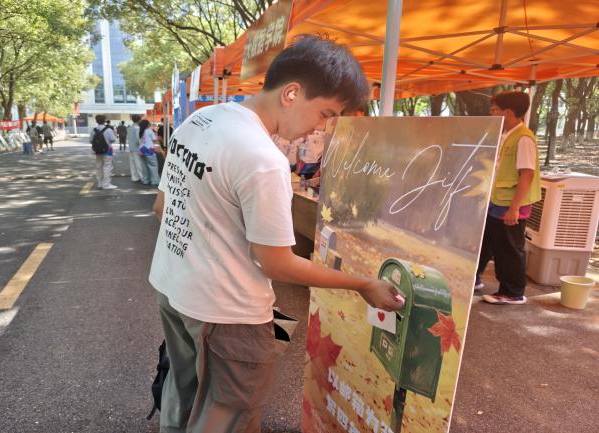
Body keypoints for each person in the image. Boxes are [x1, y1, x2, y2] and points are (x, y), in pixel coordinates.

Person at [149, 35, 404, 433]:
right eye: (325, 113)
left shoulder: (201, 120)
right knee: (228, 416)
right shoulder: (263, 159)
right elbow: (277, 264)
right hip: (226, 313)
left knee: (183, 394)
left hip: (173, 288)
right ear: (291, 93)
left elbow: (162, 207)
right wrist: (363, 283)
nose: (319, 127)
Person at [476, 91, 542, 305]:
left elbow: (527, 174)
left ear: (508, 112)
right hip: (497, 200)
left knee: (509, 248)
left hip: (511, 204)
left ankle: (512, 292)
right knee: (487, 241)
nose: (491, 113)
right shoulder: (506, 134)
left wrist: (514, 208)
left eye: (494, 109)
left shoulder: (523, 138)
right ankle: (474, 278)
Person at [89, 114, 118, 190]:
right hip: (107, 150)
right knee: (107, 167)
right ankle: (106, 184)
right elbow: (113, 139)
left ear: (96, 121)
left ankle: (100, 183)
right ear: (104, 121)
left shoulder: (93, 130)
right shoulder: (108, 130)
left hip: (97, 151)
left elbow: (91, 140)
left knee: (99, 167)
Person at [138, 119, 160, 185]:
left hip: (142, 150)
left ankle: (145, 180)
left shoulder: (139, 131)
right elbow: (154, 140)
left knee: (144, 166)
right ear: (147, 125)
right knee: (153, 166)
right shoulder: (149, 131)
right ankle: (155, 181)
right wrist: (158, 142)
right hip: (150, 150)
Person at [127, 114, 143, 182]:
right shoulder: (137, 128)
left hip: (131, 147)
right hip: (137, 148)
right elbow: (138, 139)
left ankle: (134, 177)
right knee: (139, 163)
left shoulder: (129, 128)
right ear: (139, 120)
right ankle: (142, 177)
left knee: (132, 163)